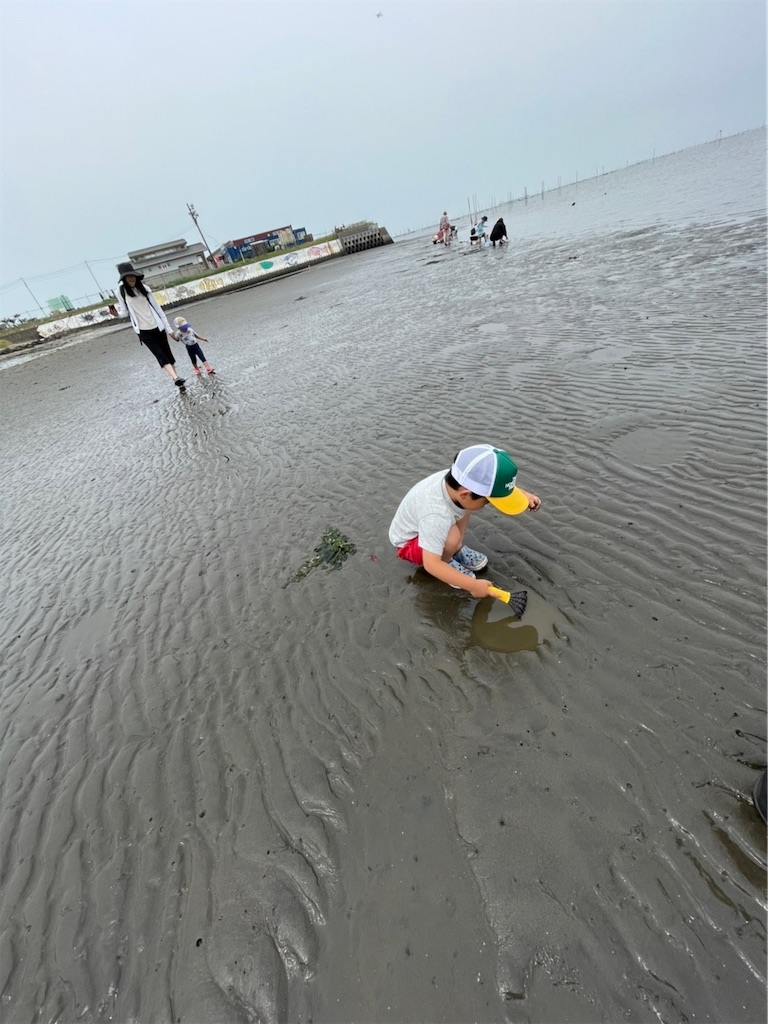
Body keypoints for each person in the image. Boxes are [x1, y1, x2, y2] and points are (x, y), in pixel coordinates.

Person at [388, 443, 541, 597]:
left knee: (465, 509)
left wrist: (524, 495)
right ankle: (447, 560)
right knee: (452, 537)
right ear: (465, 494)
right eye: (487, 501)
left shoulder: (460, 480)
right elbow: (431, 564)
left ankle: (455, 549)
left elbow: (493, 484)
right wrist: (473, 586)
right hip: (409, 543)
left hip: (432, 525)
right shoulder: (435, 515)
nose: (487, 505)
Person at [115, 262, 185, 388]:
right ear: (124, 279)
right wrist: (116, 315)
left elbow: (159, 310)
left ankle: (177, 378)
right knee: (159, 354)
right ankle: (175, 378)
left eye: (133, 276)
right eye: (128, 277)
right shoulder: (121, 292)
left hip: (158, 327)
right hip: (143, 331)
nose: (131, 278)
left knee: (167, 353)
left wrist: (169, 331)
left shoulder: (145, 289)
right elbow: (124, 313)